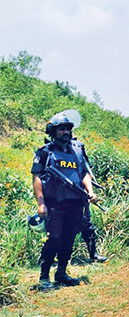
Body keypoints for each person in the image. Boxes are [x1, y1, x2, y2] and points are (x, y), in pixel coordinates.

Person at [31, 109, 98, 291]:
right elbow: (37, 178)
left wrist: (90, 191)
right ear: (53, 132)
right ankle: (44, 276)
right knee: (54, 238)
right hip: (54, 203)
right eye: (61, 129)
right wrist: (41, 203)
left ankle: (61, 272)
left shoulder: (77, 150)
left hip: (76, 202)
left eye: (68, 129)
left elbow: (84, 173)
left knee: (69, 238)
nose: (66, 132)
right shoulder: (44, 152)